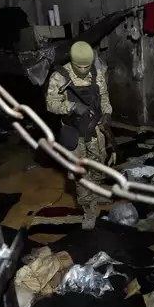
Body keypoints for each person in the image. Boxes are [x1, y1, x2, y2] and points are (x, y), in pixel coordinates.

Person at [46, 41, 112, 230]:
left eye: (87, 66)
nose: (83, 70)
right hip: (73, 131)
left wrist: (107, 114)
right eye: (79, 66)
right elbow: (51, 104)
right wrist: (71, 106)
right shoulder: (60, 76)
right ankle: (88, 208)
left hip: (94, 128)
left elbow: (104, 97)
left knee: (100, 161)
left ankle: (96, 191)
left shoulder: (96, 73)